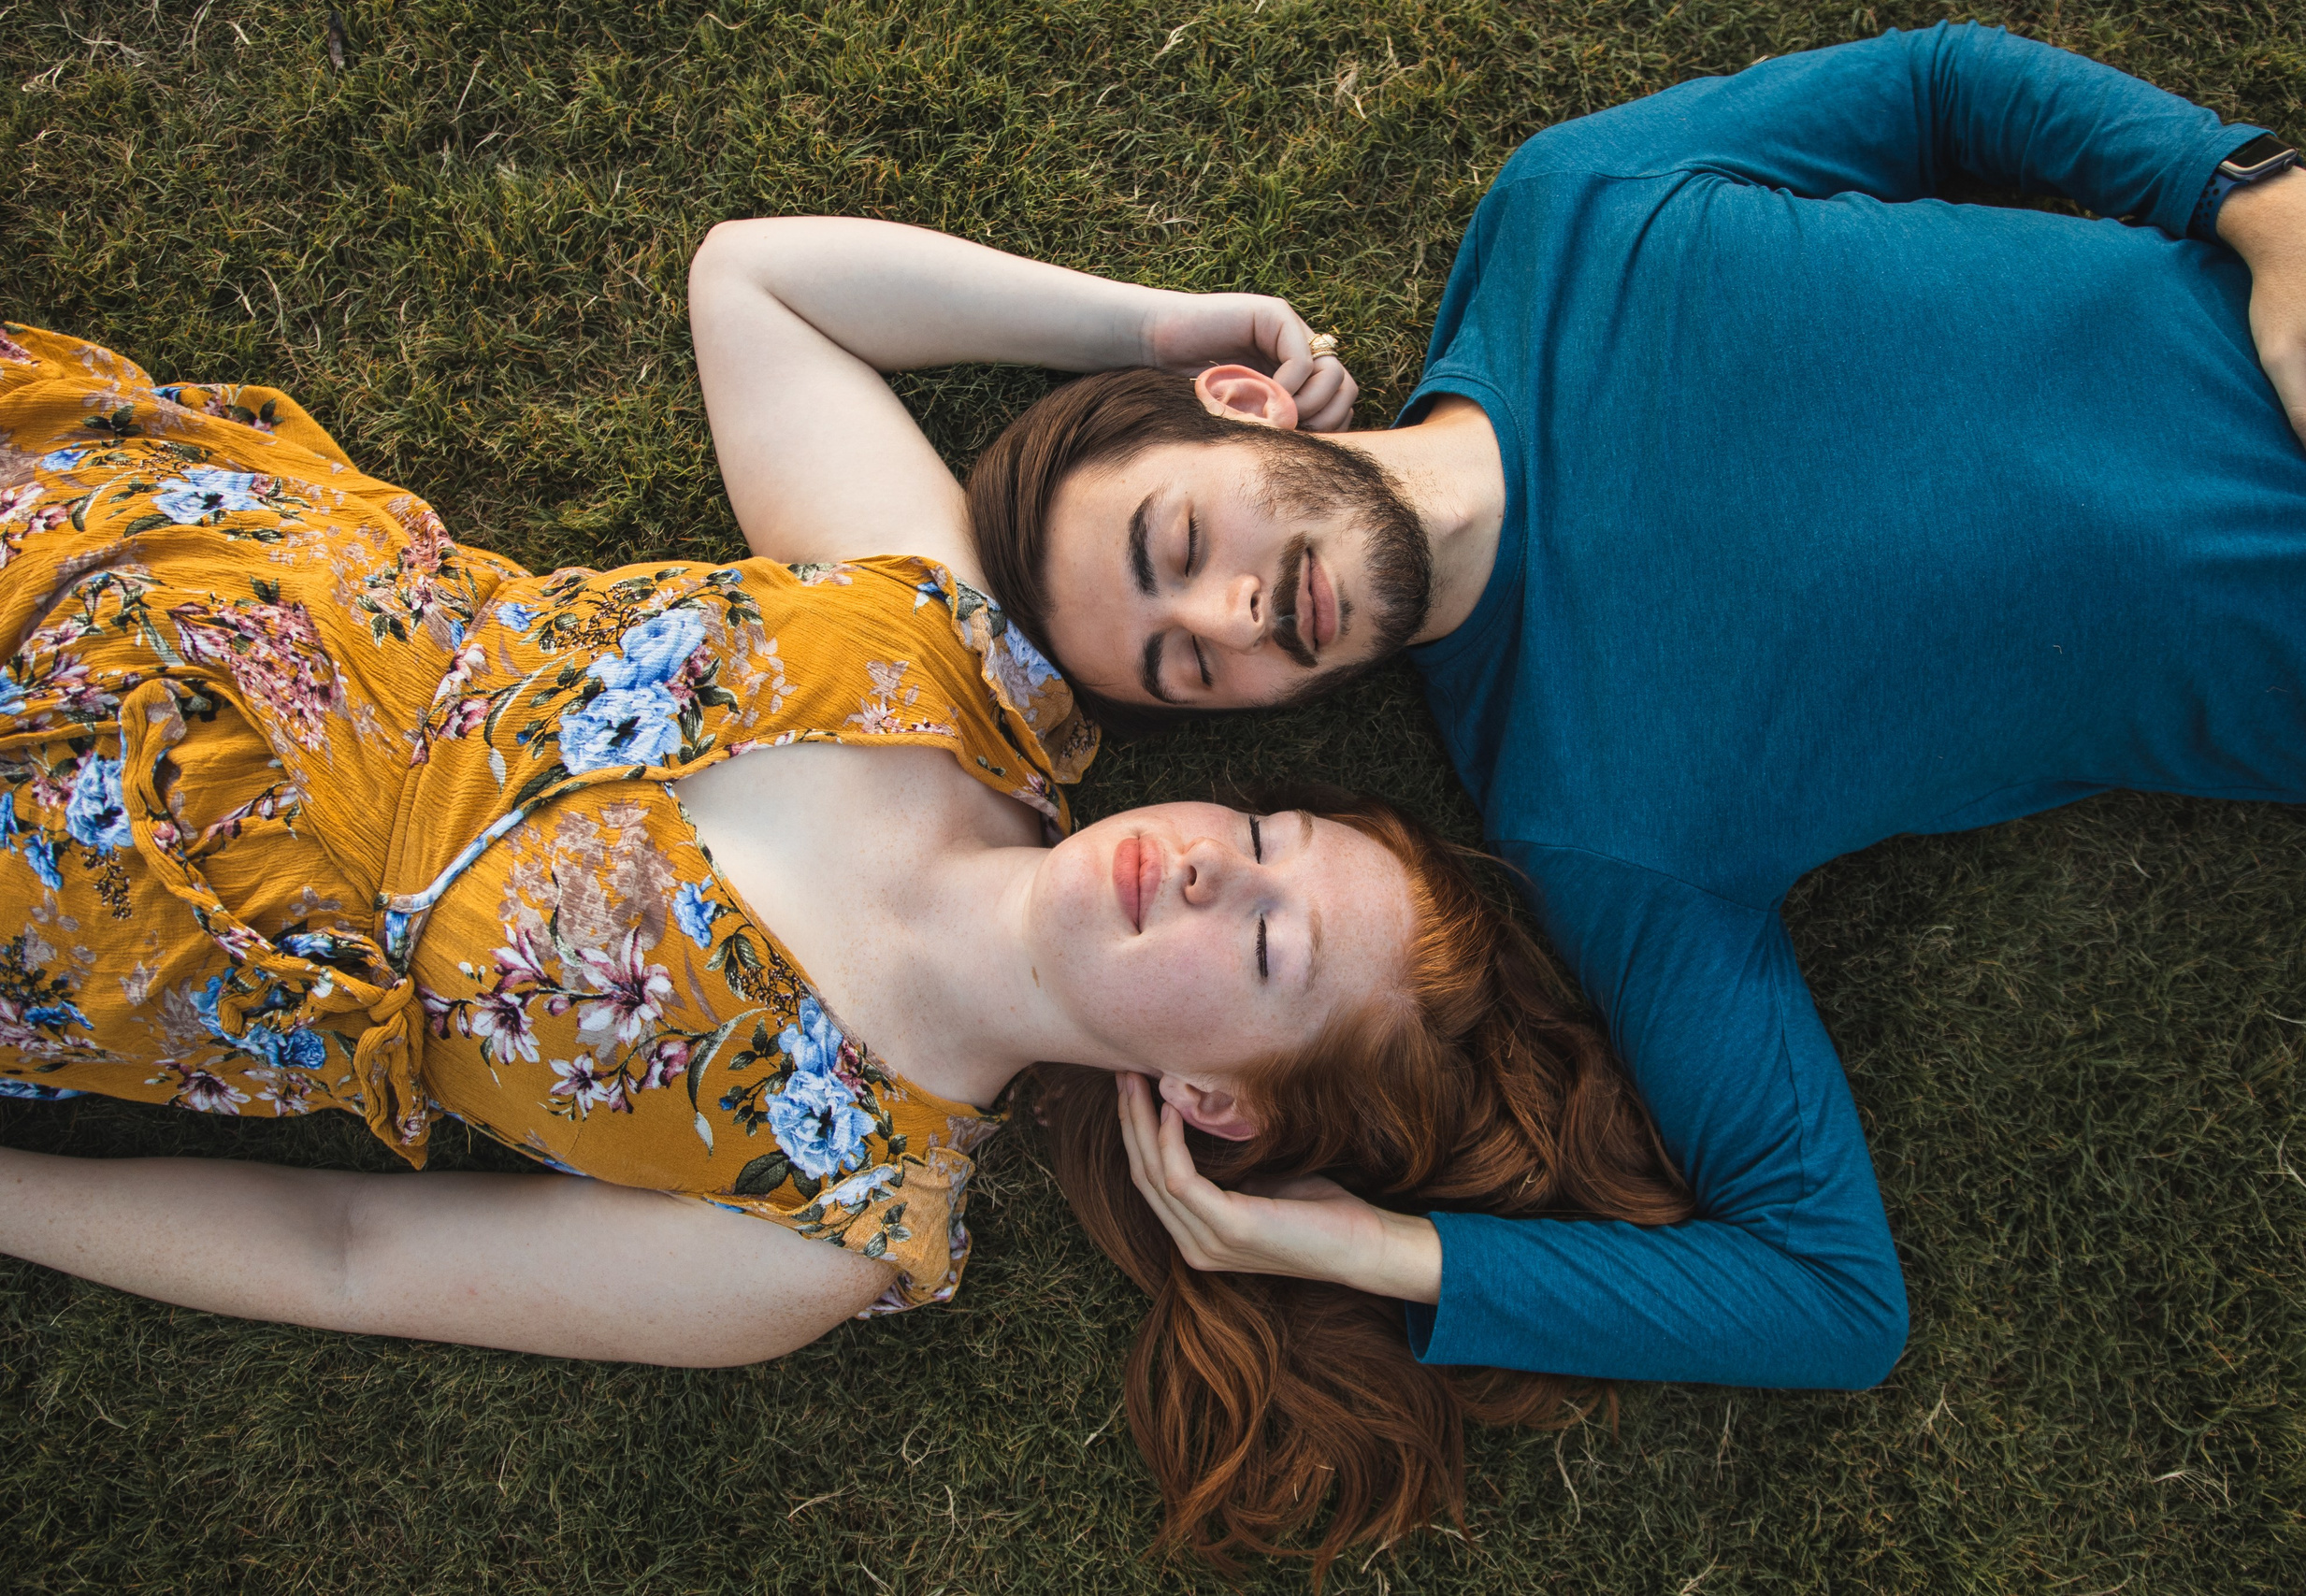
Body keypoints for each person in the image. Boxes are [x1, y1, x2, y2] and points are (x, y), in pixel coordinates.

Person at [0, 235, 1688, 1568]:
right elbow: (759, 282)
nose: (1200, 860)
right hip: (139, 559)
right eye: (1263, 841)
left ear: (1214, 1103)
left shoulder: (817, 1225)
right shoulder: (957, 655)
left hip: (87, 912)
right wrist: (1167, 328)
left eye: (1262, 944)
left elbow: (344, 1251)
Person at [961, 23, 2306, 1391]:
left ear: (1242, 403)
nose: (1234, 616)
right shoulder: (1589, 820)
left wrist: (2265, 200)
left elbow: (1936, 88)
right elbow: (1832, 1297)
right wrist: (1359, 1249)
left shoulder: (1570, 213)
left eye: (1181, 545)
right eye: (1189, 668)